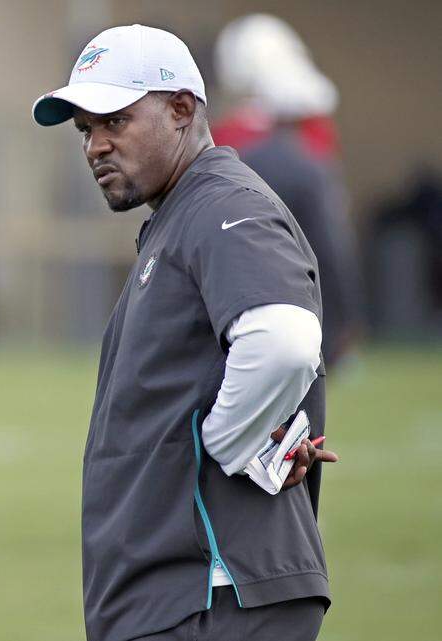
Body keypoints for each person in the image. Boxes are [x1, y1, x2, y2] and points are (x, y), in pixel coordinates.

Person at [32, 25, 339, 641]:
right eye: (85, 130)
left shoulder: (221, 202)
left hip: (211, 594)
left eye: (114, 120)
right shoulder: (184, 213)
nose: (95, 145)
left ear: (180, 109)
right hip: (186, 594)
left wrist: (233, 441)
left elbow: (282, 338)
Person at [213, 14, 364, 368]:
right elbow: (331, 239)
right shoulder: (302, 141)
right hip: (295, 287)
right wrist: (349, 313)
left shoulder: (231, 137)